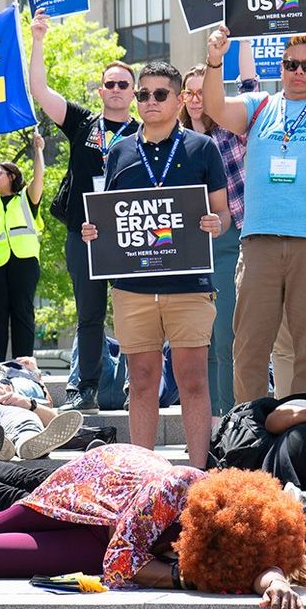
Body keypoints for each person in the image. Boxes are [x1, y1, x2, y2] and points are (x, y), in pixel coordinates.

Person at [0, 448, 306, 609]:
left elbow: (257, 561)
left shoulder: (242, 533)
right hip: (88, 486)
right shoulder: (176, 488)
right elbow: (122, 565)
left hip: (108, 540)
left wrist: (274, 580)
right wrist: (185, 577)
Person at [203, 24, 306, 404]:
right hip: (259, 241)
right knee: (250, 345)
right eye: (291, 64)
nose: (299, 72)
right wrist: (214, 60)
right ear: (281, 66)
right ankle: (251, 428)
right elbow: (214, 108)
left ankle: (305, 431)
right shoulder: (260, 106)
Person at [81, 61, 228, 464]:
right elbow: (107, 216)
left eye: (159, 94)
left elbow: (224, 213)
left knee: (193, 379)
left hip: (189, 284)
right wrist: (94, 232)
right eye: (142, 94)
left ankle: (197, 472)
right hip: (133, 287)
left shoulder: (203, 147)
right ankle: (142, 476)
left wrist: (216, 223)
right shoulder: (120, 150)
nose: (149, 101)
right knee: (142, 380)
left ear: (179, 99)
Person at [29, 7, 137, 415]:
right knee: (89, 316)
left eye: (122, 84)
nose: (115, 89)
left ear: (133, 92)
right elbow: (40, 90)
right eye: (109, 83)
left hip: (129, 235)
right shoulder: (81, 123)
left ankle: (134, 386)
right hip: (84, 234)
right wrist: (38, 39)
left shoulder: (145, 131)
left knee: (132, 316)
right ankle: (86, 388)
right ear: (101, 90)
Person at [178, 47, 258, 422]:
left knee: (226, 336)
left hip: (229, 241)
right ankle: (206, 423)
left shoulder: (230, 130)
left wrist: (241, 38)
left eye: (202, 92)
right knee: (199, 340)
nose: (196, 100)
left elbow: (249, 86)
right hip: (187, 248)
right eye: (189, 93)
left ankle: (232, 417)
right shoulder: (174, 142)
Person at [0, 133, 45, 362]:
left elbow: (39, 178)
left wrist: (38, 151)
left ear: (11, 176)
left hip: (23, 261)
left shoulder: (26, 198)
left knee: (22, 312)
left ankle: (23, 363)